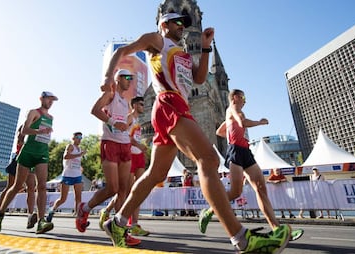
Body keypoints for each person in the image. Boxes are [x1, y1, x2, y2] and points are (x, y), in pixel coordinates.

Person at [99, 12, 290, 252]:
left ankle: (116, 223)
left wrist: (205, 47)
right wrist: (108, 77)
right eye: (177, 22)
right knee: (208, 159)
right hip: (168, 102)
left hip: (179, 105)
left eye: (185, 24)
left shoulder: (184, 54)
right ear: (164, 23)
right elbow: (122, 51)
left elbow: (200, 79)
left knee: (155, 174)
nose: (182, 27)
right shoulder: (156, 40)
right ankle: (242, 239)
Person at [198, 89, 301, 242]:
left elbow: (220, 131)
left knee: (261, 187)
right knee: (235, 192)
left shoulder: (231, 113)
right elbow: (242, 122)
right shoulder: (232, 109)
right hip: (235, 152)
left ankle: (277, 229)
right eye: (243, 97)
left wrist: (231, 128)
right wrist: (259, 122)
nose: (245, 101)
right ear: (235, 97)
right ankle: (209, 211)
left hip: (245, 151)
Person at [76, 69, 140, 246]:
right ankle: (85, 208)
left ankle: (120, 231)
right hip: (110, 143)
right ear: (118, 79)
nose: (130, 81)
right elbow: (95, 110)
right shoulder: (110, 94)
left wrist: (129, 130)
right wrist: (113, 123)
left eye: (132, 78)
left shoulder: (126, 102)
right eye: (127, 78)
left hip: (124, 144)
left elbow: (123, 124)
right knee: (112, 188)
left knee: (123, 190)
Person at [0, 91, 58, 234]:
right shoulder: (34, 112)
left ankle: (41, 221)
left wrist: (45, 133)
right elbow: (25, 130)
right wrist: (40, 132)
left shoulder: (51, 117)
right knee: (17, 186)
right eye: (48, 99)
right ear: (41, 99)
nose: (50, 102)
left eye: (53, 100)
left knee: (42, 186)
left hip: (42, 152)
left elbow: (45, 133)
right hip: (28, 152)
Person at [99, 96, 150, 237]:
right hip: (129, 156)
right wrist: (137, 145)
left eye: (143, 104)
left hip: (139, 156)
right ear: (133, 105)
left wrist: (141, 149)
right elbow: (124, 135)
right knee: (126, 192)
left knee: (139, 190)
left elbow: (136, 138)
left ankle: (134, 224)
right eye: (140, 104)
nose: (143, 106)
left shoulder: (138, 122)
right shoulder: (128, 118)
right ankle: (110, 213)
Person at [0, 125, 38, 229]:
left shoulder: (35, 133)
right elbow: (21, 143)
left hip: (30, 162)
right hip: (19, 160)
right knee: (11, 186)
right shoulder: (23, 133)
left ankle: (30, 215)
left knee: (31, 188)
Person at [46, 132, 86, 222]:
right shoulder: (70, 146)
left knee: (78, 198)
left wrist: (80, 167)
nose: (79, 139)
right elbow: (66, 156)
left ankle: (78, 219)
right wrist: (79, 155)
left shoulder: (80, 149)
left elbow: (76, 161)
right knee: (63, 199)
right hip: (67, 175)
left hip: (77, 175)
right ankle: (51, 210)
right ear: (73, 138)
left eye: (81, 137)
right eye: (78, 137)